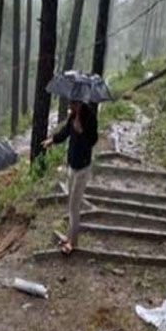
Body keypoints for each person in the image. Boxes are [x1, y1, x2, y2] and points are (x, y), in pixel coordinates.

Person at [42, 100, 99, 255]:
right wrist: (52, 140)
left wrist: (82, 131)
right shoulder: (73, 115)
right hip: (72, 165)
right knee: (70, 202)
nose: (68, 105)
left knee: (74, 206)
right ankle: (68, 237)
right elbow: (65, 132)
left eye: (71, 103)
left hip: (82, 168)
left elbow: (93, 140)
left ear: (78, 103)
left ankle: (73, 243)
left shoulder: (90, 118)